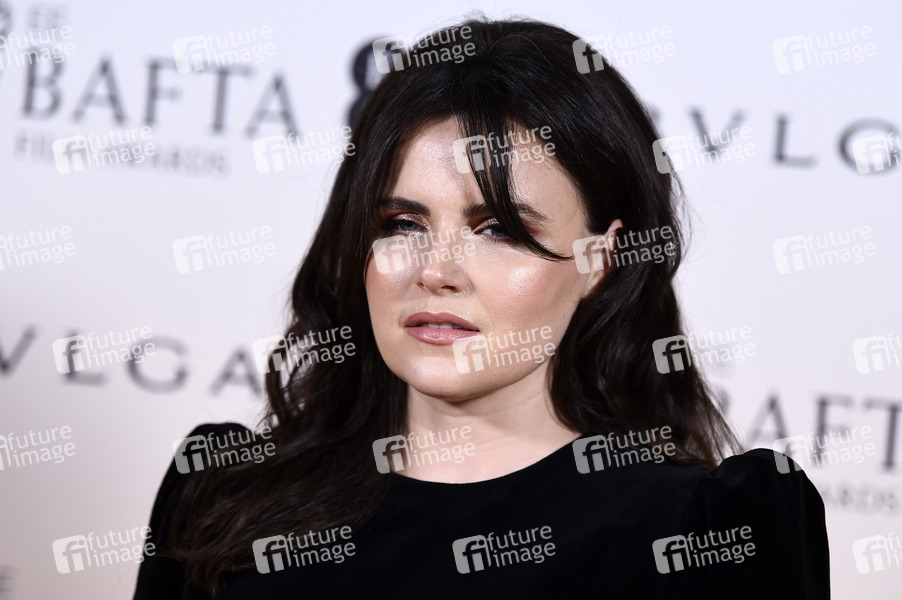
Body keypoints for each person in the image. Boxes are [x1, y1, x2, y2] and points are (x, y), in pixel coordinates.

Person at [133, 17, 830, 599]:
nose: (435, 272)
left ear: (601, 258)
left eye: (499, 229)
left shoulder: (706, 535)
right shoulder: (223, 502)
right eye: (402, 223)